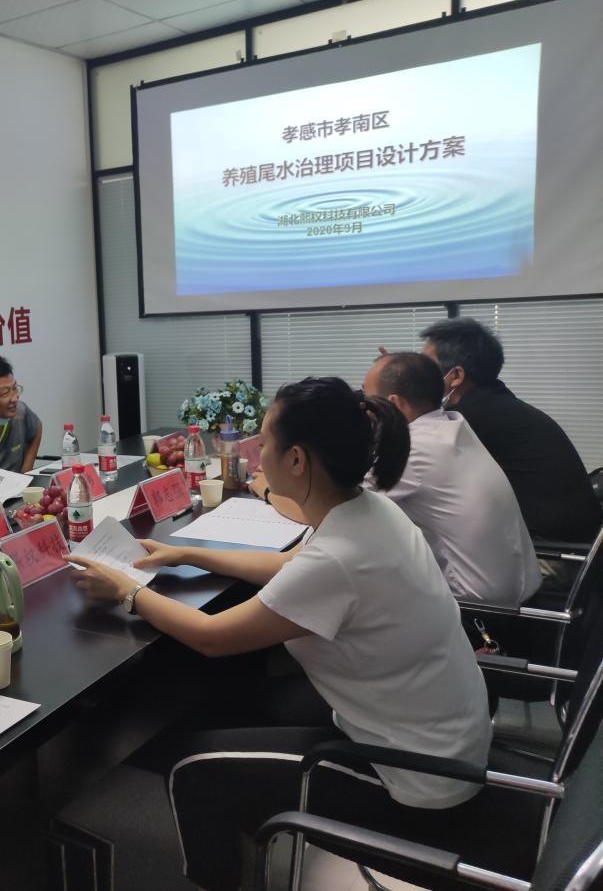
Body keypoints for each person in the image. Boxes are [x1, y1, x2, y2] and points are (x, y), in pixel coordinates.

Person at [67, 378, 496, 889]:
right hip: (442, 739)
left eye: (265, 440)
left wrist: (126, 590)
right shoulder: (366, 510)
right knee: (256, 700)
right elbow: (291, 565)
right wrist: (188, 553)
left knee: (193, 768)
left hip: (413, 784)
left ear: (296, 460)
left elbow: (211, 636)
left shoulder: (340, 555)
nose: (256, 453)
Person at [357, 351, 540, 604]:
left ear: (395, 404)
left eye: (367, 401)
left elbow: (343, 505)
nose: (365, 410)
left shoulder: (414, 448)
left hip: (478, 609)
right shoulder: (452, 426)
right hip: (520, 588)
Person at [419, 317, 601, 548]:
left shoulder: (466, 418)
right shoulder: (496, 402)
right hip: (579, 544)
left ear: (456, 376)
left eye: (424, 366)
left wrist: (397, 391)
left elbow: (412, 467)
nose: (416, 373)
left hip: (553, 553)